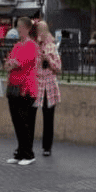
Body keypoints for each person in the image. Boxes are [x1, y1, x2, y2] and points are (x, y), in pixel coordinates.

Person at [4, 16, 39, 166]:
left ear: (26, 28)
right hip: (14, 87)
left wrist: (13, 64)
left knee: (25, 122)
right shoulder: (17, 45)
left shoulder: (32, 45)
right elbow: (8, 63)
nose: (17, 29)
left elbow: (21, 63)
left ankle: (28, 153)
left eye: (19, 26)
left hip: (26, 88)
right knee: (17, 121)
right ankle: (20, 151)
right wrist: (11, 64)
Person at [33, 20, 62, 157]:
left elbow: (58, 67)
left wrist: (48, 59)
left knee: (48, 117)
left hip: (49, 85)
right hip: (37, 84)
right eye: (39, 30)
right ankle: (28, 144)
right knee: (31, 115)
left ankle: (47, 146)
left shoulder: (52, 46)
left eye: (42, 31)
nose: (41, 34)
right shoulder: (35, 46)